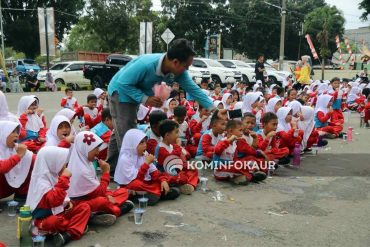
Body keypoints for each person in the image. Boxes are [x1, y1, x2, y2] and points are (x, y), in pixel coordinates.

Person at [107, 39, 214, 172]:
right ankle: (130, 174)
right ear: (175, 62)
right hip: (121, 93)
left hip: (135, 93)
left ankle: (111, 169)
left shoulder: (177, 71)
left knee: (121, 128)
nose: (187, 70)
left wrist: (213, 108)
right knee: (128, 134)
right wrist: (145, 99)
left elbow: (193, 89)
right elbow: (123, 83)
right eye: (186, 66)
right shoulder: (145, 64)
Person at [26, 146, 90, 247]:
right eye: (62, 163)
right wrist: (64, 178)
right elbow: (54, 200)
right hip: (45, 218)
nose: (65, 166)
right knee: (54, 221)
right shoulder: (40, 182)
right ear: (51, 162)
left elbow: (61, 198)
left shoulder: (53, 175)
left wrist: (67, 202)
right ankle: (75, 228)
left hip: (60, 213)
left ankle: (66, 235)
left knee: (84, 207)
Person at [67, 131, 134, 225]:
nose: (98, 151)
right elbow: (99, 192)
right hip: (80, 204)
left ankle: (97, 214)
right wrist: (106, 172)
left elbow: (97, 189)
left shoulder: (86, 162)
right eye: (95, 148)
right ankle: (116, 210)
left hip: (91, 196)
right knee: (102, 201)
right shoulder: (81, 170)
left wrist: (106, 194)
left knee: (122, 191)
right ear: (85, 149)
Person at [114, 129, 180, 206]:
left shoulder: (144, 154)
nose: (145, 145)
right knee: (136, 184)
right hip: (133, 186)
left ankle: (155, 193)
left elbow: (154, 171)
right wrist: (146, 163)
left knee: (165, 175)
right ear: (132, 144)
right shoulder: (125, 159)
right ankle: (159, 193)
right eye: (141, 143)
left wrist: (162, 180)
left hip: (146, 185)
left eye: (145, 142)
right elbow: (137, 179)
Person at [213, 120, 267, 184]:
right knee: (237, 166)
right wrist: (229, 140)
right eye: (240, 130)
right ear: (230, 131)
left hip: (232, 166)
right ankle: (251, 176)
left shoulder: (235, 143)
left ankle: (241, 177)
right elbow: (217, 150)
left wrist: (259, 153)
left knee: (249, 159)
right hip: (220, 170)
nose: (242, 133)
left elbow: (237, 159)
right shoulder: (222, 141)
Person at [155, 120, 198, 195]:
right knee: (180, 177)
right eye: (176, 132)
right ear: (167, 135)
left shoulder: (171, 145)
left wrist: (187, 166)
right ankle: (185, 184)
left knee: (193, 170)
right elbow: (172, 158)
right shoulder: (161, 148)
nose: (178, 135)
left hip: (174, 170)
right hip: (165, 173)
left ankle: (190, 185)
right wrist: (178, 146)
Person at [0, 121, 35, 201]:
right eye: (12, 132)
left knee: (28, 161)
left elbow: (35, 160)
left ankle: (21, 195)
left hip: (8, 188)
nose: (16, 134)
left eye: (17, 132)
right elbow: (1, 168)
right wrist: (18, 156)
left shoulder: (16, 147)